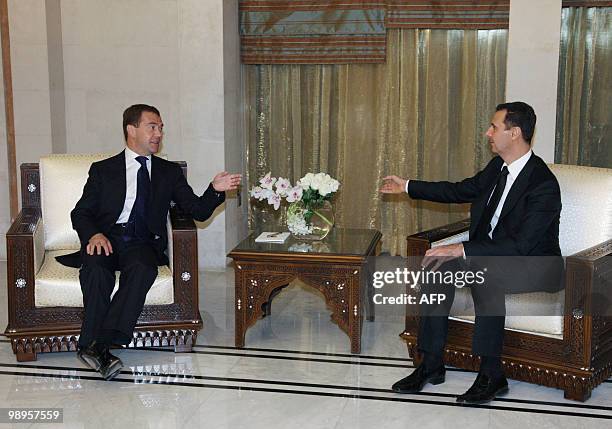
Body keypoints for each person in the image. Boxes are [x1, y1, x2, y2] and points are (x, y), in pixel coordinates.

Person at [380, 101, 563, 404]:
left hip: (534, 264)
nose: (487, 132)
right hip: (490, 255)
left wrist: (463, 248)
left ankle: (492, 374)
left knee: (483, 273)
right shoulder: (497, 168)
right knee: (437, 265)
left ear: (514, 133)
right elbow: (459, 190)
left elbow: (521, 246)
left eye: (494, 126)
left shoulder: (543, 184)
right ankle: (431, 363)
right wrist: (408, 186)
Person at [58, 104, 241, 380]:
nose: (158, 133)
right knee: (95, 269)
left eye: (160, 128)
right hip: (106, 237)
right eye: (152, 127)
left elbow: (198, 210)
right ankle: (99, 347)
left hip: (142, 243)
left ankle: (96, 344)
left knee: (144, 268)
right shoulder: (103, 170)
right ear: (131, 130)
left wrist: (214, 190)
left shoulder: (169, 172)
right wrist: (93, 234)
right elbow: (80, 212)